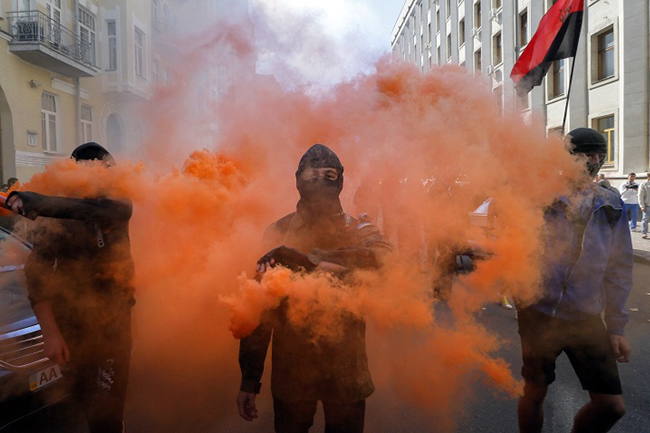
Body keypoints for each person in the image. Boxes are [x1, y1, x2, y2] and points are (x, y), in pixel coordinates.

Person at [236, 144, 392, 433]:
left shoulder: (356, 230)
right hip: (293, 372)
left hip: (346, 370)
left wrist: (310, 260)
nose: (320, 183)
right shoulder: (277, 232)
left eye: (329, 176)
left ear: (340, 180)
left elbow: (386, 262)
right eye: (312, 176)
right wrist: (249, 379)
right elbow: (259, 310)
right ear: (298, 180)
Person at [6, 142, 135, 433]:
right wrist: (50, 333)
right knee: (86, 404)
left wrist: (33, 201)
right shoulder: (58, 222)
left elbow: (82, 209)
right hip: (72, 328)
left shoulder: (117, 206)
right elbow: (36, 273)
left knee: (106, 414)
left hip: (112, 329)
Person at [516, 128, 632, 433]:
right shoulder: (541, 196)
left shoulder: (611, 203)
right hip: (538, 313)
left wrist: (616, 327)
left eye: (599, 154)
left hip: (586, 318)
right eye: (585, 154)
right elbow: (513, 244)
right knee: (534, 392)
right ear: (568, 158)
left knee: (611, 406)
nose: (594, 160)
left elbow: (619, 268)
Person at [638, 172, 650, 239]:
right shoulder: (644, 184)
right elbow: (640, 195)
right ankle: (644, 233)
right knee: (645, 219)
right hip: (647, 205)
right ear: (648, 177)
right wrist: (642, 205)